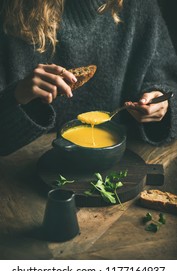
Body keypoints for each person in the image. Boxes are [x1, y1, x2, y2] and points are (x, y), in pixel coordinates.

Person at [0, 0, 177, 156]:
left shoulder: (139, 6)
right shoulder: (9, 13)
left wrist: (161, 104)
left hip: (123, 161)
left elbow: (168, 83)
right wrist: (17, 96)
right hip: (23, 173)